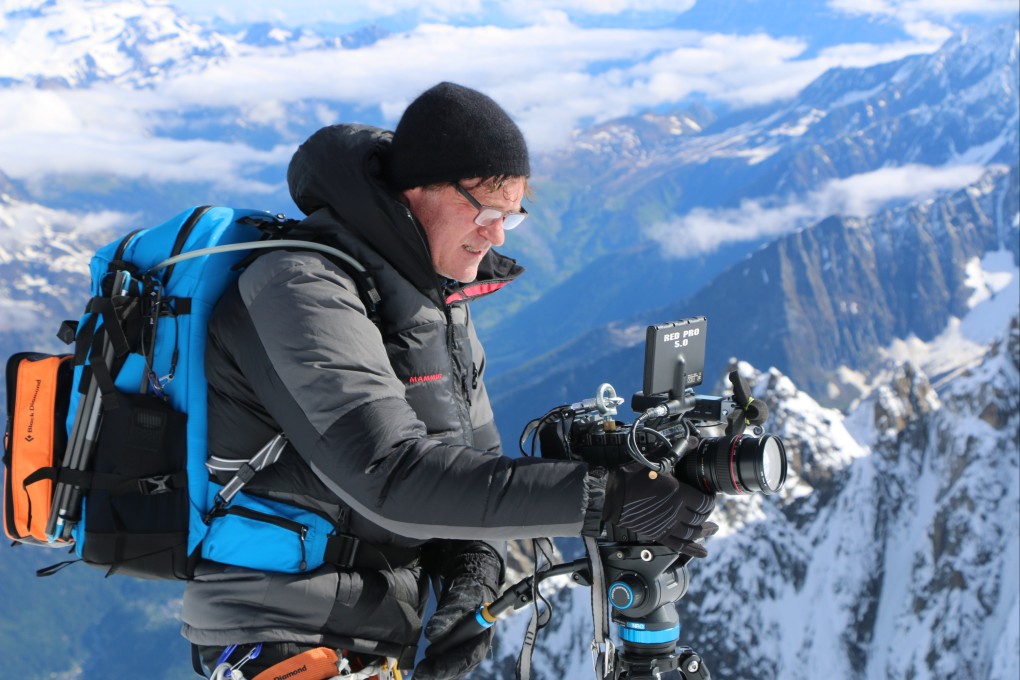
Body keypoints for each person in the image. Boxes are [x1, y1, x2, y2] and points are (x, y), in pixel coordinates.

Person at [181, 82, 717, 680]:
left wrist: (469, 584)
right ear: (419, 191)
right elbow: (389, 475)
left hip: (371, 641)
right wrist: (608, 499)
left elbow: (470, 470)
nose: (498, 234)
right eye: (486, 210)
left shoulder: (437, 305)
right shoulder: (298, 288)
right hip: (276, 635)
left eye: (512, 213)